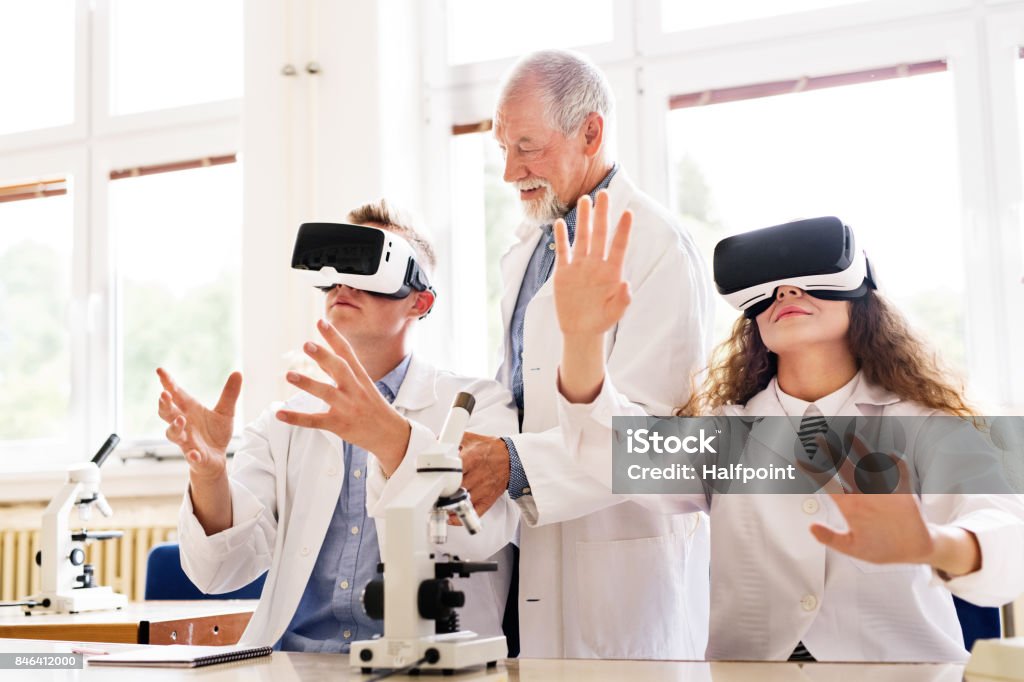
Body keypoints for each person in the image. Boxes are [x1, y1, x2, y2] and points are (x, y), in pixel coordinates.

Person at [551, 207, 1024, 661]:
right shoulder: (726, 434)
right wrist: (581, 340)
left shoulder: (926, 425)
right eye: (771, 289)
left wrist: (933, 545)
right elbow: (607, 453)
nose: (785, 293)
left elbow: (1007, 531)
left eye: (806, 280)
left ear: (860, 296)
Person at [163, 200, 518, 651]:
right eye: (338, 269)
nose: (344, 284)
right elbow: (217, 573)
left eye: (368, 269)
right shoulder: (284, 422)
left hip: (423, 664)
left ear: (419, 301)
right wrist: (209, 475)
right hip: (291, 662)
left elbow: (477, 538)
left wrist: (392, 440)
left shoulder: (478, 403)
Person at [451, 49, 714, 659]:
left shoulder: (657, 246)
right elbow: (520, 394)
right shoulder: (530, 248)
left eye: (528, 146)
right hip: (530, 559)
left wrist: (514, 463)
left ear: (590, 131)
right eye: (502, 148)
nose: (511, 171)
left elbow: (653, 439)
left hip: (620, 578)